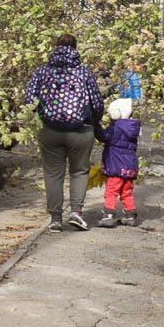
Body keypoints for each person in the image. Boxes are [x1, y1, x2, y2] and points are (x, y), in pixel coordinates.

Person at [26, 34, 105, 232]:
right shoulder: (84, 73)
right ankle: (76, 213)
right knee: (79, 171)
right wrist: (95, 123)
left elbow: (29, 100)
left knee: (53, 174)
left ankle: (55, 219)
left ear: (55, 48)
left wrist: (42, 114)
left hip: (50, 130)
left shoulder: (42, 72)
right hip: (81, 131)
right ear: (75, 48)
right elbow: (96, 103)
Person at [96, 98, 141, 227]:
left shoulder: (115, 128)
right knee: (126, 192)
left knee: (111, 191)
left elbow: (103, 137)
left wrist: (96, 126)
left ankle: (109, 215)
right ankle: (130, 215)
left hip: (116, 167)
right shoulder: (132, 128)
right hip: (130, 167)